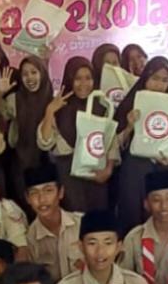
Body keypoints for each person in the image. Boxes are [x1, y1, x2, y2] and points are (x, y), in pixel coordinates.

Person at [38, 57, 120, 212]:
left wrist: (108, 170)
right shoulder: (59, 108)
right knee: (74, 218)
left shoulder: (101, 106)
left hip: (96, 172)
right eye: (77, 78)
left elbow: (111, 141)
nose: (83, 84)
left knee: (97, 218)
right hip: (67, 174)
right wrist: (50, 111)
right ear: (70, 79)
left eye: (88, 78)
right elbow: (45, 142)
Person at [112, 56, 168, 232]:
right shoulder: (130, 104)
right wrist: (129, 126)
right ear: (145, 78)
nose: (159, 85)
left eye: (164, 80)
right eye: (155, 78)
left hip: (161, 171)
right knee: (132, 217)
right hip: (134, 172)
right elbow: (114, 145)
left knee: (159, 220)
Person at [0, 54, 52, 209]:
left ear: (42, 74)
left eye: (34, 72)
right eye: (25, 74)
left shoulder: (53, 100)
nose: (29, 77)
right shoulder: (15, 99)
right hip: (21, 162)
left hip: (47, 161)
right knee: (25, 204)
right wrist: (0, 93)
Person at [23, 163, 84, 282]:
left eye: (48, 190)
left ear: (60, 192)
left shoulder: (83, 224)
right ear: (27, 199)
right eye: (34, 193)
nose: (42, 199)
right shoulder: (29, 239)